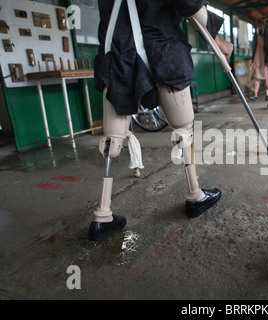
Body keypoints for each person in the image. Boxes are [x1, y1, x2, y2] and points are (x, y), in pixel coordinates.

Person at [89, 0, 233, 242]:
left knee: (112, 140)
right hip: (162, 50)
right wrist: (216, 40)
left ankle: (102, 216)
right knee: (183, 131)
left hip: (118, 55)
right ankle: (195, 195)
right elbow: (190, 5)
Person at [249, 20, 268, 101]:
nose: (259, 27)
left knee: (266, 76)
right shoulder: (255, 36)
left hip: (265, 59)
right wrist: (252, 59)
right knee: (255, 76)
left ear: (264, 26)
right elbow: (253, 48)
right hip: (257, 58)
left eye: (261, 25)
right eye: (258, 26)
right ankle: (255, 94)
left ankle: (267, 94)